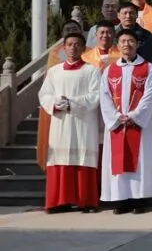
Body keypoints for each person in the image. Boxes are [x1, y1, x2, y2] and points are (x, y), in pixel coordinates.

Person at [39, 31, 102, 213]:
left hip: (83, 122)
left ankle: (87, 201)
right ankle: (59, 202)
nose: (73, 48)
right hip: (61, 122)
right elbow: (44, 94)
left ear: (83, 48)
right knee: (60, 160)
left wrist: (72, 103)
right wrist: (56, 104)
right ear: (64, 48)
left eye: (77, 44)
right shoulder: (53, 72)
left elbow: (95, 95)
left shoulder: (91, 70)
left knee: (83, 159)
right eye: (69, 44)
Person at [100, 28, 152, 214]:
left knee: (138, 160)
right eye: (123, 41)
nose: (127, 44)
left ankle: (138, 200)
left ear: (137, 44)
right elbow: (104, 96)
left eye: (131, 41)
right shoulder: (110, 70)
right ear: (117, 45)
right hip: (117, 124)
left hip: (138, 124)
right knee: (117, 161)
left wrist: (135, 116)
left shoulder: (148, 68)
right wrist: (116, 117)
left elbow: (150, 95)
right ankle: (120, 200)